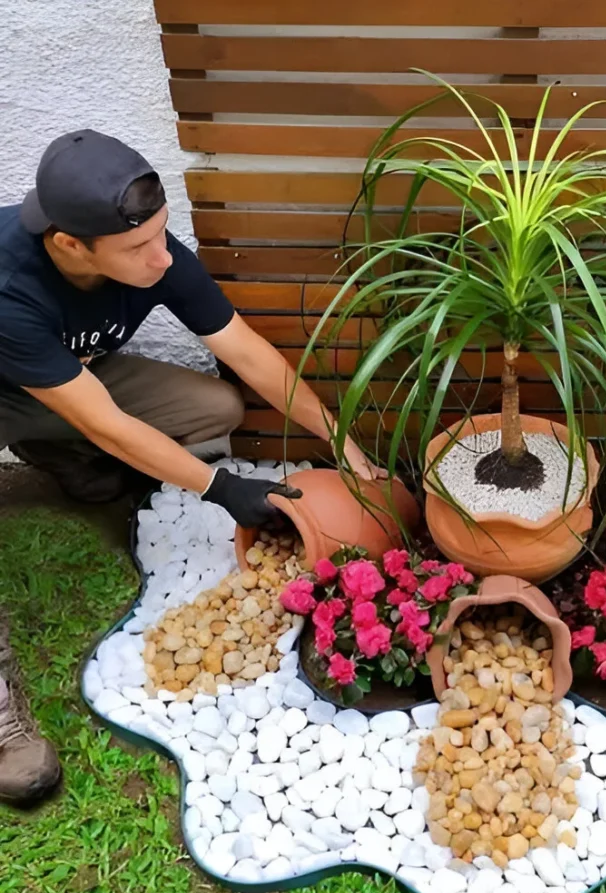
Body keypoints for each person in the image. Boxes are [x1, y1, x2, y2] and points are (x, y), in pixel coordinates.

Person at [0, 129, 381, 805]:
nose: (160, 258)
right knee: (98, 426)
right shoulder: (11, 287)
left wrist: (340, 439)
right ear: (69, 245)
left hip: (56, 381)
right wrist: (223, 487)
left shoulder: (154, 252)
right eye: (136, 249)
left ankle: (50, 447)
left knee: (211, 406)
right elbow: (105, 422)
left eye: (162, 235)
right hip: (27, 381)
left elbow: (246, 351)